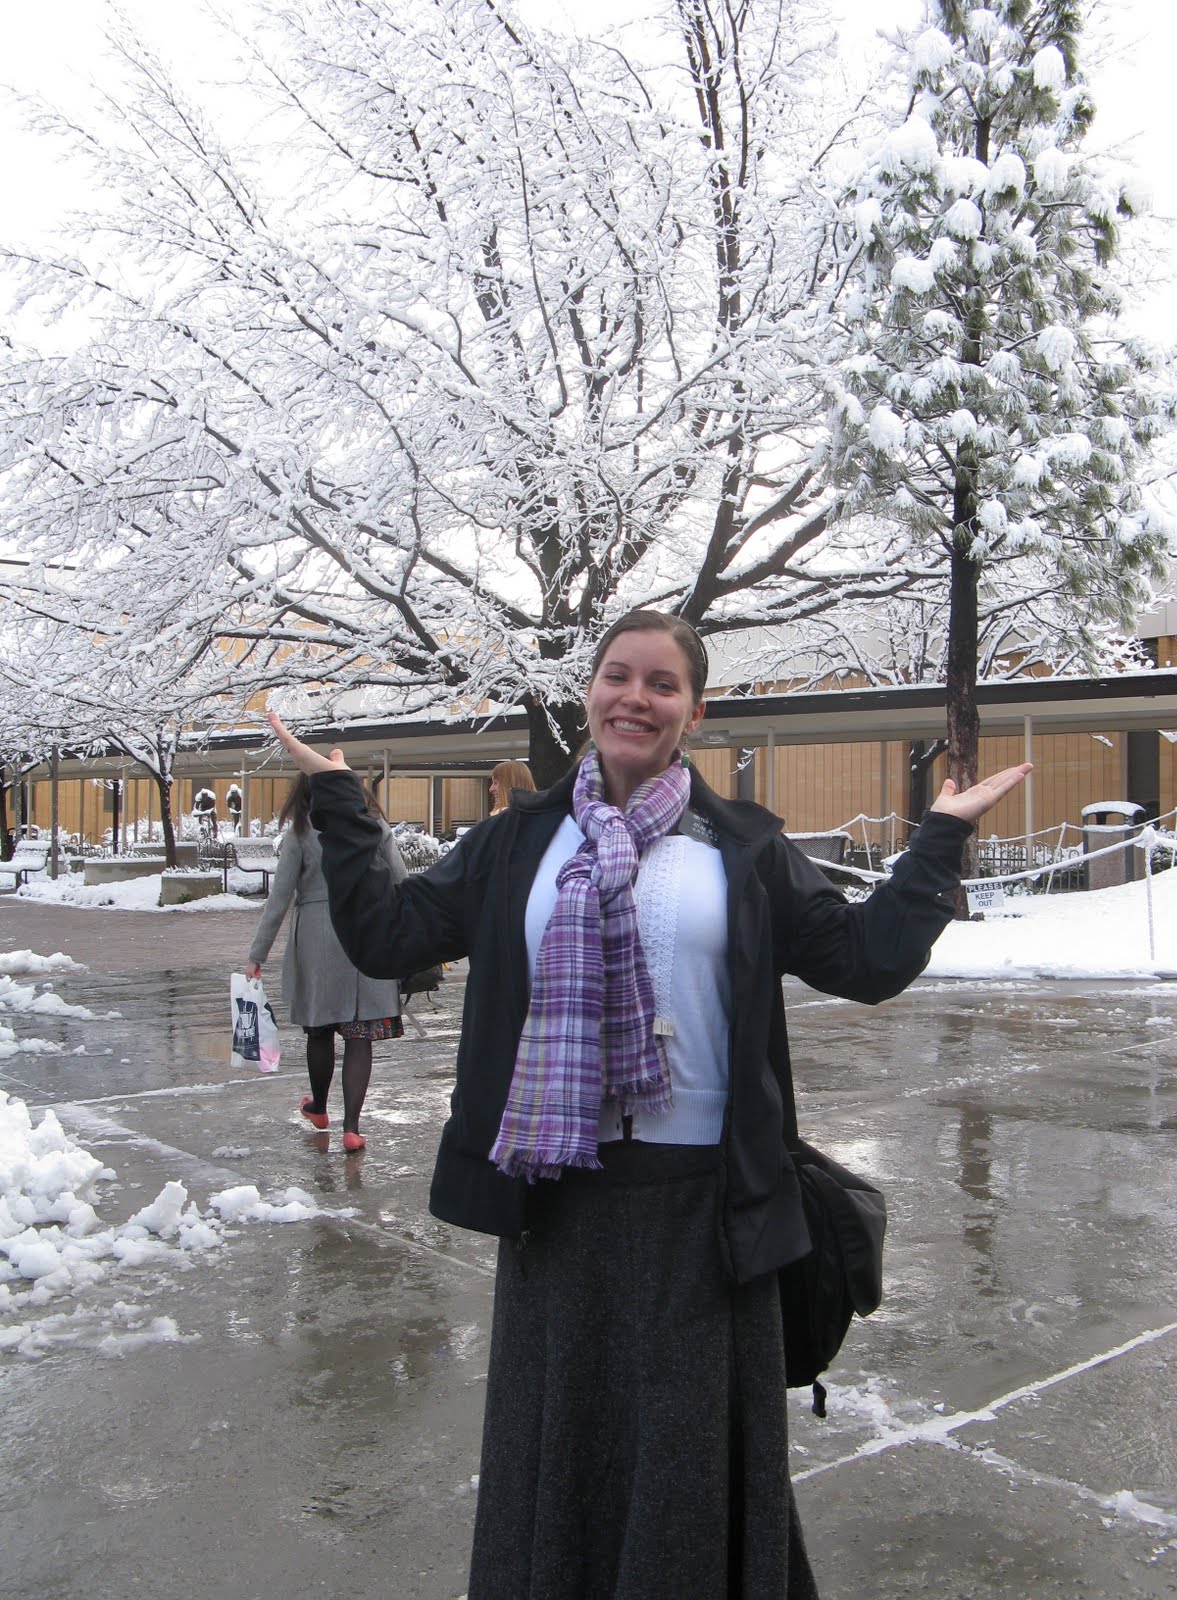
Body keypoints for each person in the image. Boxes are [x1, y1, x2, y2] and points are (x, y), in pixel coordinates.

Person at [269, 608, 1031, 1599]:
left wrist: (938, 842)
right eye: (618, 676)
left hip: (706, 1208)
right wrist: (340, 802)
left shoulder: (744, 848)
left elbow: (864, 959)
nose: (636, 697)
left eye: (663, 683)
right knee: (564, 1459)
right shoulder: (517, 843)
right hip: (557, 1202)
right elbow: (388, 934)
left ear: (694, 711)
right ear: (588, 693)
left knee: (687, 1475)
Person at [243, 773, 407, 1153]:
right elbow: (402, 881)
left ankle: (319, 1108)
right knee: (359, 1033)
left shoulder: (301, 832)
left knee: (319, 1030)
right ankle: (352, 1128)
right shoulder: (373, 825)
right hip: (367, 932)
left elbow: (279, 899)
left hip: (317, 939)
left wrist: (256, 955)